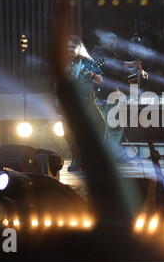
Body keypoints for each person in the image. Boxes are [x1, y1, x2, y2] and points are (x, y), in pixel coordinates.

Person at [56, 35, 104, 172]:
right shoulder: (63, 63)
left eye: (73, 47)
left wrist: (93, 75)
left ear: (79, 48)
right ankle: (77, 157)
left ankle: (88, 157)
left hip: (86, 103)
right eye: (68, 47)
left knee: (98, 128)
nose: (70, 49)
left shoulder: (88, 62)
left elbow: (100, 79)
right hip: (68, 104)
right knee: (68, 132)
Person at [92, 32, 136, 163]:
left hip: (106, 93)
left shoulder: (107, 54)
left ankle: (105, 155)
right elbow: (106, 65)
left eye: (116, 42)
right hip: (103, 94)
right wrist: (127, 64)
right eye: (113, 41)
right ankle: (116, 155)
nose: (115, 44)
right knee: (114, 125)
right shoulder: (98, 54)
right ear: (104, 42)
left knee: (111, 126)